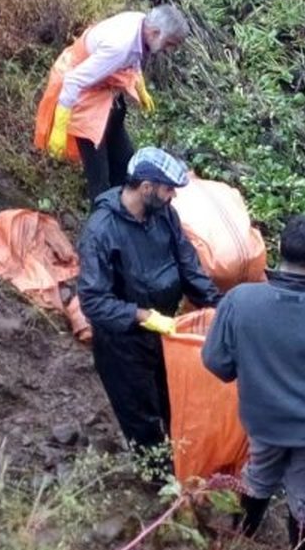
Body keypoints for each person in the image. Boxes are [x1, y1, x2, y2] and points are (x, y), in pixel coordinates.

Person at [201, 216, 305, 550]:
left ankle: (241, 538)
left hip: (263, 421)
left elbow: (215, 361)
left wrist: (251, 372)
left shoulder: (238, 300)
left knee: (258, 475)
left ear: (278, 250)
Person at [78, 147, 220, 455]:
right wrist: (142, 316)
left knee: (173, 401)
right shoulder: (101, 231)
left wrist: (214, 304)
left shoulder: (164, 214)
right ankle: (157, 479)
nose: (173, 196)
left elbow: (187, 262)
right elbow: (92, 300)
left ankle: (181, 464)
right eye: (168, 189)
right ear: (146, 187)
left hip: (166, 332)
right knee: (140, 416)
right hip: (124, 345)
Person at [34, 5, 189, 204]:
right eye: (169, 44)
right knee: (100, 182)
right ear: (155, 32)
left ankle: (124, 215)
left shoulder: (143, 23)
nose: (169, 50)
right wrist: (60, 125)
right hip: (84, 101)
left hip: (107, 100)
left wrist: (140, 86)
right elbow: (74, 80)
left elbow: (134, 58)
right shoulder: (119, 46)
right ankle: (101, 225)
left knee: (127, 165)